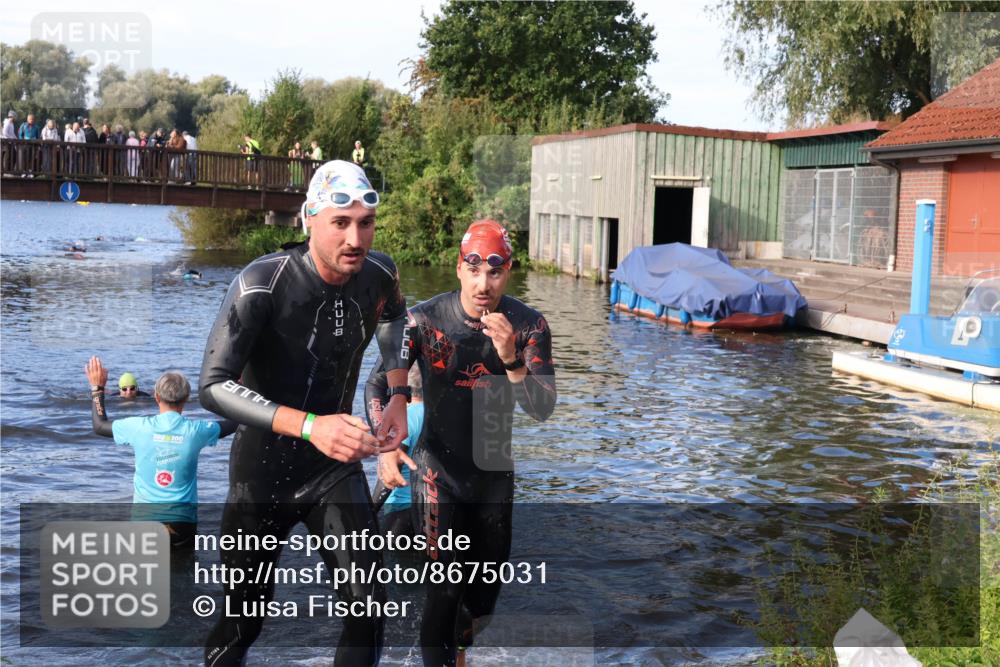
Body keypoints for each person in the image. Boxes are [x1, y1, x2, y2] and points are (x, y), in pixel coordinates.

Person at [199, 159, 411, 666]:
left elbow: (396, 317)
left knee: (370, 605)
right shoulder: (260, 283)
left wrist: (399, 390)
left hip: (331, 468)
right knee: (241, 621)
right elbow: (212, 385)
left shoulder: (379, 274)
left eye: (365, 223)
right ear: (309, 220)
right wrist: (311, 425)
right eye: (340, 223)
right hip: (261, 474)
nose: (355, 238)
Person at [370, 219, 556, 667]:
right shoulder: (423, 320)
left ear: (507, 272)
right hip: (439, 473)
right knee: (445, 587)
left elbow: (542, 408)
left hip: (493, 479)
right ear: (459, 268)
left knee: (481, 605)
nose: (483, 284)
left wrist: (510, 357)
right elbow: (379, 384)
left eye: (494, 272)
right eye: (474, 270)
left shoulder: (529, 326)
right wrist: (387, 443)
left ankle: (459, 649)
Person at [84, 356, 237, 547]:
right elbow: (234, 423)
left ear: (156, 397)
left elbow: (99, 426)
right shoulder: (197, 431)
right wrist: (238, 392)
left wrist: (97, 389)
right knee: (184, 570)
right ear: (187, 398)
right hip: (182, 523)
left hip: (145, 523)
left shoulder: (139, 427)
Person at [366, 363, 424, 537]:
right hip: (432, 510)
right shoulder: (439, 416)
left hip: (400, 513)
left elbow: (390, 471)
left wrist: (369, 513)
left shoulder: (405, 419)